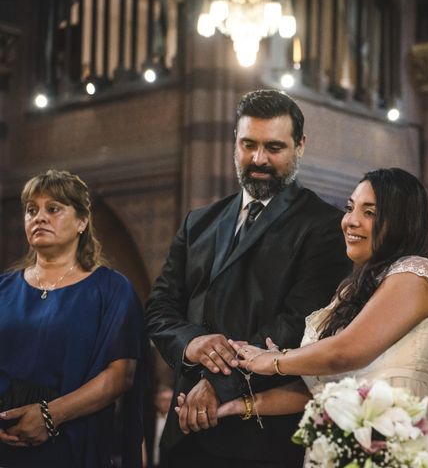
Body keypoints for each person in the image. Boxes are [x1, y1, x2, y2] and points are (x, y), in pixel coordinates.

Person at [144, 89, 350, 467]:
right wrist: (191, 343)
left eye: (274, 147)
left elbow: (297, 323)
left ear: (300, 146)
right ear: (234, 143)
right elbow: (159, 307)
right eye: (248, 145)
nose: (258, 159)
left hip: (261, 438)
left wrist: (218, 384)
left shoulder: (323, 226)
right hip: (183, 429)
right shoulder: (199, 222)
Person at [218, 168, 428, 468]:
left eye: (370, 212)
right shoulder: (352, 292)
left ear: (402, 222)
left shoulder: (415, 275)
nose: (351, 220)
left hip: (409, 445)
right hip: (355, 447)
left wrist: (274, 361)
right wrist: (244, 405)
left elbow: (344, 353)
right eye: (350, 207)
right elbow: (326, 387)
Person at [0, 169, 147, 467]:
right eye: (32, 210)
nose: (39, 217)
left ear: (82, 221)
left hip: (73, 439)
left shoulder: (110, 288)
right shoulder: (3, 288)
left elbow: (121, 375)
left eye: (53, 208)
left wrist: (49, 416)